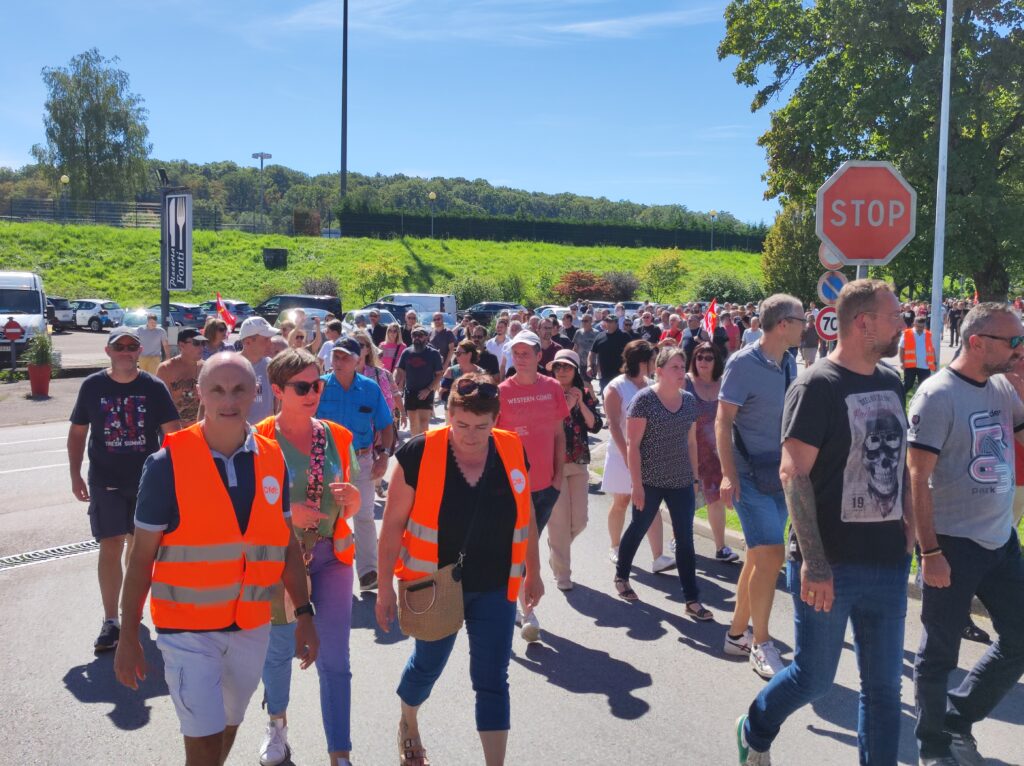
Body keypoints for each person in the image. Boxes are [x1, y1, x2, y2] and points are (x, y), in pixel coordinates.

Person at [736, 279, 913, 766]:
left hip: (888, 562)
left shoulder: (892, 379)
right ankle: (755, 727)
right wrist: (814, 562)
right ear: (863, 323)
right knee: (814, 677)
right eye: (894, 315)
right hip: (830, 564)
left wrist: (912, 527)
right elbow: (793, 475)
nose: (904, 322)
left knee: (882, 689)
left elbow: (900, 463)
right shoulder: (817, 385)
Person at [113, 353, 319, 766]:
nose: (229, 400)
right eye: (218, 390)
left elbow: (283, 544)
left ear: (256, 393)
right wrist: (128, 634)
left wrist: (304, 612)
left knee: (226, 728)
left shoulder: (270, 457)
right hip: (186, 630)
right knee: (202, 746)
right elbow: (140, 559)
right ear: (200, 395)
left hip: (250, 624)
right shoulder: (166, 464)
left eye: (239, 389)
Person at [375, 374, 543, 766]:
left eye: (482, 427)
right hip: (433, 583)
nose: (471, 435)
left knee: (492, 679)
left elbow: (527, 515)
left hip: (496, 583)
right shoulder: (417, 453)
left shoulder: (512, 449)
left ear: (496, 420)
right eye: (462, 424)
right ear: (448, 414)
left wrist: (533, 572)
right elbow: (392, 529)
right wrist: (385, 590)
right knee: (427, 665)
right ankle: (409, 720)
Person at [908, 302, 1024, 766]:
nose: (1019, 348)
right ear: (977, 343)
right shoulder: (937, 395)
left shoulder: (1000, 386)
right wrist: (929, 550)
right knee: (940, 651)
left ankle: (957, 718)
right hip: (952, 544)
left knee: (1020, 637)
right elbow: (916, 478)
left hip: (1000, 540)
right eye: (1012, 341)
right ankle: (931, 745)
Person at [255, 348, 362, 766]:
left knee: (335, 657)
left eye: (317, 384)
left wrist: (352, 500)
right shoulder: (260, 438)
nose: (313, 392)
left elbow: (350, 500)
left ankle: (340, 753)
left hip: (331, 555)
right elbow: (246, 506)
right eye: (302, 386)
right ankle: (277, 727)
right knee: (279, 652)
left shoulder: (336, 435)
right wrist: (288, 513)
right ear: (279, 390)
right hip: (282, 560)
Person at [68, 327, 180, 652]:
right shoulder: (92, 386)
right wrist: (75, 475)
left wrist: (176, 476)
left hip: (147, 481)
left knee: (139, 548)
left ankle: (129, 611)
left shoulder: (153, 387)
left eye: (133, 347)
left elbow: (172, 434)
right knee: (110, 544)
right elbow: (77, 433)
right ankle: (110, 622)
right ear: (108, 351)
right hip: (105, 480)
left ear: (138, 352)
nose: (127, 352)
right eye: (121, 347)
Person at [717, 294, 803, 678]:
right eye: (802, 319)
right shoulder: (742, 363)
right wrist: (727, 474)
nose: (807, 324)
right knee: (770, 556)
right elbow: (722, 422)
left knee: (758, 558)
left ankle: (736, 634)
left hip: (780, 475)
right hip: (748, 475)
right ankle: (761, 642)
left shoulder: (788, 363)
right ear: (783, 323)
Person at [614, 347, 713, 621]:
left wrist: (694, 477)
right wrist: (637, 484)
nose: (681, 372)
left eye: (683, 367)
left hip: (681, 479)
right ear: (658, 371)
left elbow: (692, 442)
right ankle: (622, 575)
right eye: (674, 367)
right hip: (649, 479)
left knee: (685, 538)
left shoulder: (689, 401)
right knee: (638, 527)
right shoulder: (644, 400)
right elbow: (633, 446)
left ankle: (692, 599)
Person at [496, 330, 570, 642]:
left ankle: (514, 599)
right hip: (514, 486)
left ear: (540, 356)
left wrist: (558, 473)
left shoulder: (552, 387)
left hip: (546, 483)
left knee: (529, 544)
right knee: (523, 546)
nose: (521, 358)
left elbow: (558, 433)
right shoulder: (501, 391)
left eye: (527, 353)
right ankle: (526, 610)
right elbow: (495, 439)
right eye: (516, 352)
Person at [317, 338, 395, 591]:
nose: (339, 362)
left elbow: (385, 424)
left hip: (361, 459)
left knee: (363, 516)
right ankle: (325, 571)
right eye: (336, 357)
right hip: (327, 460)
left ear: (357, 361)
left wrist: (383, 456)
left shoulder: (370, 389)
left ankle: (368, 572)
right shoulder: (319, 387)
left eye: (345, 358)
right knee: (326, 517)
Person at [601, 340, 674, 573]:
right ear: (642, 362)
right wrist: (626, 455)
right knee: (622, 501)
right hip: (621, 452)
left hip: (648, 454)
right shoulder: (616, 387)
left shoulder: (652, 385)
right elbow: (613, 425)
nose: (656, 364)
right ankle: (614, 545)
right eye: (653, 360)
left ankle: (658, 557)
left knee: (651, 504)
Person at [547, 349, 603, 590]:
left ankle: (556, 551)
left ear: (575, 370)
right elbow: (547, 424)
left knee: (579, 520)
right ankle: (563, 574)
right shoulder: (546, 392)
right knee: (559, 521)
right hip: (552, 463)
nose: (562, 371)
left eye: (567, 367)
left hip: (578, 461)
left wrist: (579, 402)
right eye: (558, 366)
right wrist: (566, 404)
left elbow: (595, 426)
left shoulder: (586, 393)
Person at [686, 342, 739, 563]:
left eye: (708, 357)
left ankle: (721, 547)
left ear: (716, 361)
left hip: (717, 453)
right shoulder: (685, 382)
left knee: (716, 499)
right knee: (687, 500)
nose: (703, 361)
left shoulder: (724, 384)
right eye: (699, 357)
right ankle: (680, 539)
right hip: (689, 451)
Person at [395, 326, 445, 437]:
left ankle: (423, 448)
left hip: (426, 392)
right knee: (413, 424)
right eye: (414, 335)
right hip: (410, 392)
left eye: (420, 335)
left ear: (426, 337)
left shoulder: (433, 353)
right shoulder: (406, 352)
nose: (417, 338)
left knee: (423, 423)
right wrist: (395, 386)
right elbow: (400, 371)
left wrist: (428, 390)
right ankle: (415, 449)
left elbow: (439, 375)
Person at [157, 327, 207, 426]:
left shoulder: (207, 367)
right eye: (196, 343)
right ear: (181, 345)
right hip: (176, 429)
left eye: (203, 343)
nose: (201, 347)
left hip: (201, 428)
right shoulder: (166, 369)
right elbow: (159, 403)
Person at [238, 316, 280, 425]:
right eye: (266, 339)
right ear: (247, 342)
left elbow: (278, 400)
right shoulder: (230, 367)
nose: (271, 344)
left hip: (265, 433)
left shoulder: (271, 365)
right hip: (238, 434)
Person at [589, 315, 630, 395]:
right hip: (604, 375)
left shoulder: (624, 336)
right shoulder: (600, 336)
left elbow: (632, 352)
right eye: (607, 321)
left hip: (620, 374)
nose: (608, 323)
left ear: (616, 323)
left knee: (621, 397)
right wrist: (589, 366)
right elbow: (592, 352)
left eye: (611, 321)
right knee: (606, 396)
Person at [440, 338, 484, 411]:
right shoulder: (451, 371)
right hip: (453, 410)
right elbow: (442, 393)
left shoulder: (481, 373)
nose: (456, 355)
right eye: (456, 353)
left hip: (475, 411)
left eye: (459, 353)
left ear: (469, 354)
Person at [899, 315, 937, 396]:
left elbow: (931, 349)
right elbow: (901, 348)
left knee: (924, 387)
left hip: (924, 366)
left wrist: (934, 361)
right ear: (914, 324)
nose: (920, 328)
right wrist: (902, 362)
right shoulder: (907, 333)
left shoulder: (928, 334)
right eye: (918, 326)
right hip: (910, 365)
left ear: (925, 325)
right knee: (908, 385)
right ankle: (899, 397)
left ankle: (920, 402)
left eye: (922, 326)